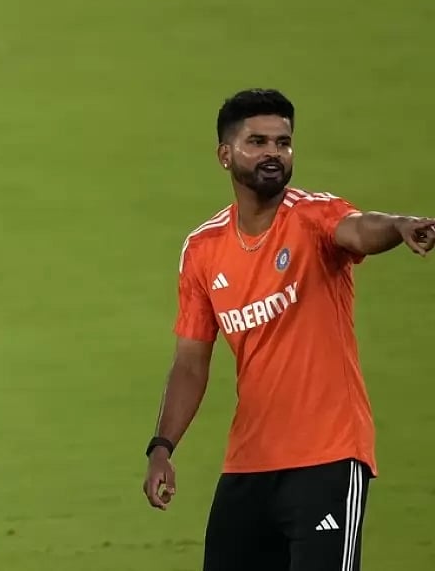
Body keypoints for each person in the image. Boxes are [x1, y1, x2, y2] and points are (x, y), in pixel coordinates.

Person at [141, 88, 435, 570]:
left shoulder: (312, 217)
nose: (273, 153)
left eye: (283, 142)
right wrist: (162, 447)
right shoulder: (203, 249)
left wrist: (399, 226)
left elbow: (359, 228)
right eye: (258, 141)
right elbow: (191, 363)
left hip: (328, 458)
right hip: (248, 466)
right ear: (225, 154)